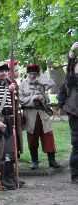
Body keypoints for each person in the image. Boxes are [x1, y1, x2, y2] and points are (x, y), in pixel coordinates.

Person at [19, 64, 60, 169]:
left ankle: (52, 160)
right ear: (27, 74)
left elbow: (51, 83)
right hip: (30, 115)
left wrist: (41, 73)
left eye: (34, 73)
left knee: (48, 136)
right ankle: (34, 161)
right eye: (30, 73)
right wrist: (32, 98)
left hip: (43, 114)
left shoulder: (42, 83)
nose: (32, 76)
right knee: (32, 139)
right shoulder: (23, 84)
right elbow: (20, 99)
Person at [0, 61, 19, 190]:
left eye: (6, 71)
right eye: (1, 71)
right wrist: (8, 92)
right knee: (0, 152)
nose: (4, 73)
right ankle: (0, 179)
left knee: (9, 152)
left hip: (9, 120)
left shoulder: (8, 84)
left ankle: (10, 177)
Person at [57, 42, 78, 183]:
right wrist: (72, 50)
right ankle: (75, 175)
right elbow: (70, 66)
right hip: (75, 114)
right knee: (77, 144)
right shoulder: (71, 80)